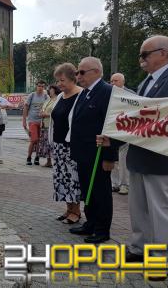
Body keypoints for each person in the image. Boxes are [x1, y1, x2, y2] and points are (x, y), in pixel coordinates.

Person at [98, 36, 168, 281]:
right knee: (138, 207)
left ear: (163, 53)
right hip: (139, 153)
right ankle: (139, 248)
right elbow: (137, 122)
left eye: (144, 54)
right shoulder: (144, 84)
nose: (141, 59)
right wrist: (113, 140)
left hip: (160, 156)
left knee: (161, 209)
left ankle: (162, 259)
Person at [68, 57, 117, 244]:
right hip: (84, 153)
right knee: (87, 190)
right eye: (77, 72)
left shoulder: (107, 92)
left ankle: (102, 229)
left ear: (96, 71)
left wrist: (110, 156)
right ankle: (91, 223)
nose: (78, 76)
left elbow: (112, 126)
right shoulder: (86, 92)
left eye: (81, 72)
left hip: (98, 154)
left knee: (101, 192)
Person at [51, 64, 82, 224]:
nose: (59, 84)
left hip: (71, 145)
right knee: (61, 178)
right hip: (58, 145)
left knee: (72, 178)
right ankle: (68, 208)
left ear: (72, 78)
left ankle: (76, 211)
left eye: (62, 80)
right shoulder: (60, 97)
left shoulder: (81, 95)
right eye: (58, 81)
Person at [109, 73, 131, 195]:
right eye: (111, 81)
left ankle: (124, 184)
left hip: (125, 131)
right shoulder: (108, 94)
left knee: (123, 160)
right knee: (113, 158)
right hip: (112, 130)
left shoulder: (130, 94)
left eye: (115, 81)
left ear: (123, 81)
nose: (112, 83)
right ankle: (115, 183)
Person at [23, 80, 49, 165]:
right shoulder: (32, 95)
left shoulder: (45, 96)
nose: (40, 88)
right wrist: (24, 121)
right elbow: (26, 108)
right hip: (32, 121)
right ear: (36, 86)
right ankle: (29, 157)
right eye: (39, 86)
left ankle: (37, 158)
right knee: (34, 140)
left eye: (42, 86)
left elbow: (50, 104)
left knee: (39, 141)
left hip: (41, 121)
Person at [38, 85, 60, 167]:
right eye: (49, 90)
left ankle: (55, 160)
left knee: (51, 142)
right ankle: (49, 161)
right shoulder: (48, 100)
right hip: (44, 124)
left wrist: (46, 114)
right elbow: (43, 109)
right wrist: (41, 112)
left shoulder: (58, 100)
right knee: (46, 143)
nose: (49, 91)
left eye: (51, 89)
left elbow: (56, 113)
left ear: (55, 90)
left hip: (52, 125)